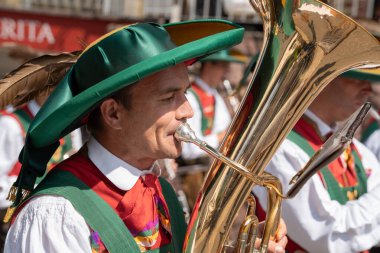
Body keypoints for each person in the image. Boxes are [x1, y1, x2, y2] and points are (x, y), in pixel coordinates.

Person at [3, 21, 286, 253]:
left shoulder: (158, 188)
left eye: (184, 93)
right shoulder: (55, 216)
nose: (187, 111)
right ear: (113, 113)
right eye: (169, 97)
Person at [253, 69, 380, 253]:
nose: (368, 88)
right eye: (357, 78)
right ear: (323, 77)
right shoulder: (281, 147)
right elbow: (330, 237)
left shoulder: (355, 148)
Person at [0, 91, 82, 251]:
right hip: (12, 223)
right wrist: (31, 188)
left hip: (58, 219)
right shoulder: (11, 124)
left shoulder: (71, 124)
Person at [178, 50, 245, 209]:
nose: (226, 72)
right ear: (209, 65)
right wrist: (222, 137)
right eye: (223, 66)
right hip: (192, 174)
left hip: (210, 169)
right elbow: (188, 149)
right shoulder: (192, 96)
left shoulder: (215, 95)